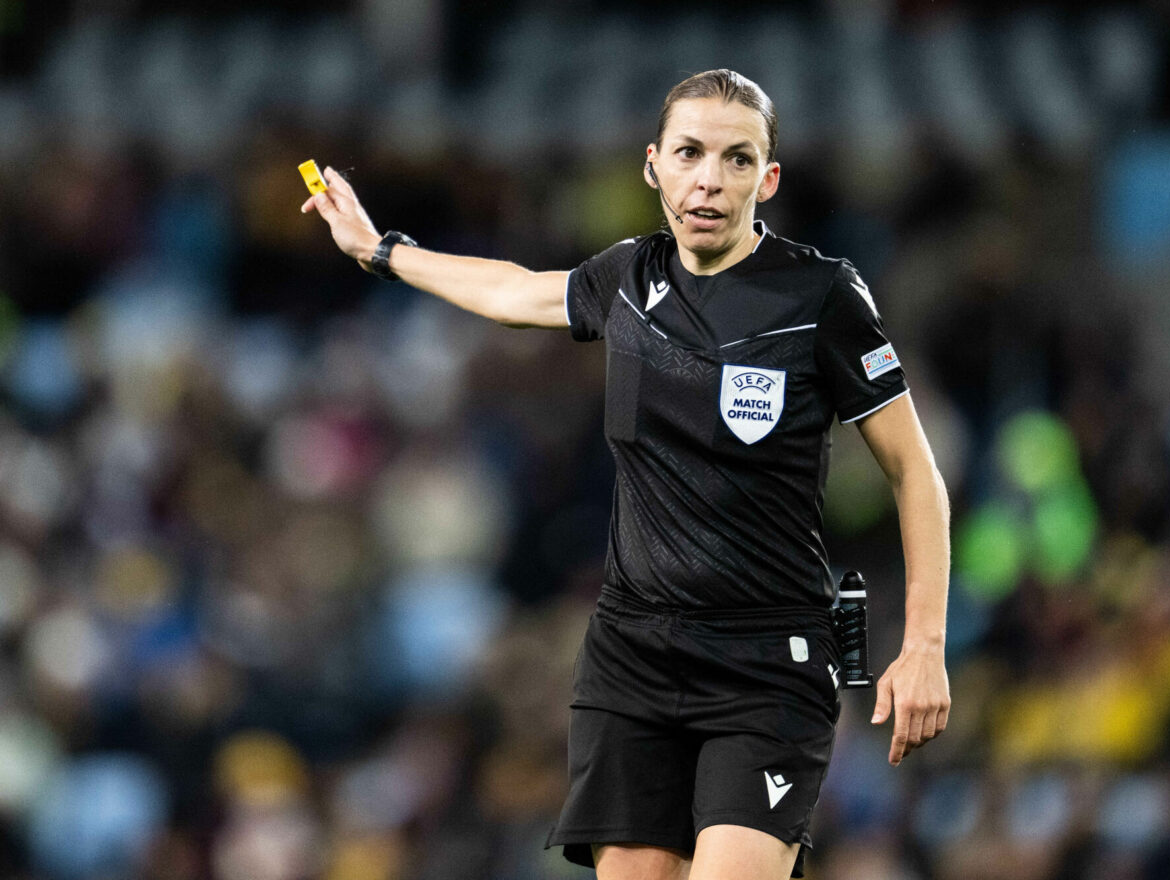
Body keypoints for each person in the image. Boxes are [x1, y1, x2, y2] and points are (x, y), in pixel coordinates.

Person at [302, 68, 951, 880]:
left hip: (766, 665)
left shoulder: (820, 297)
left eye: (737, 158)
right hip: (633, 658)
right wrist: (381, 251)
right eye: (690, 153)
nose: (710, 178)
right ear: (654, 166)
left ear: (768, 178)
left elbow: (914, 472)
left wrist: (924, 641)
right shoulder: (628, 279)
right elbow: (517, 291)